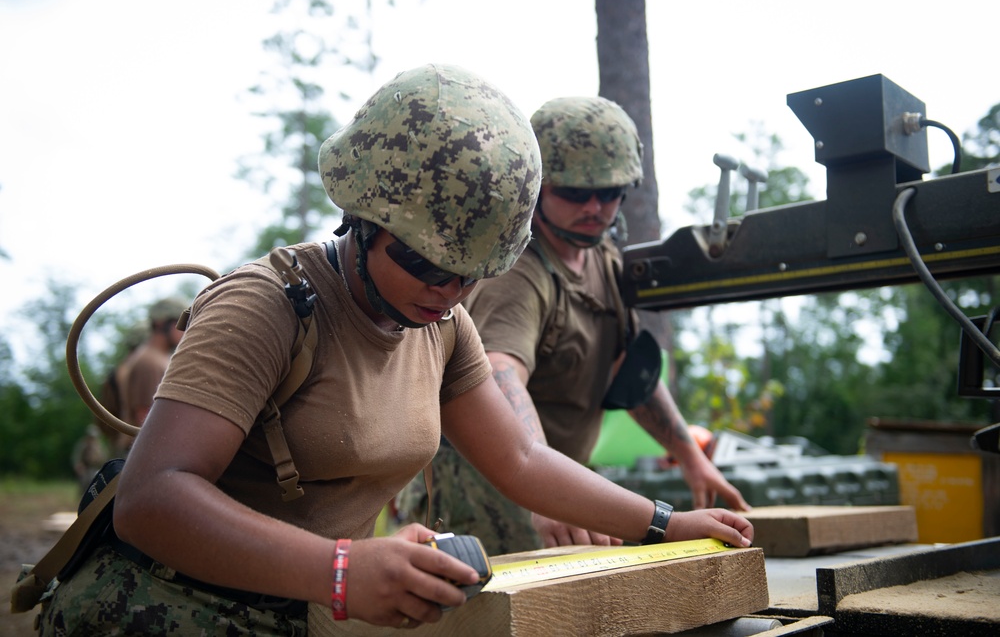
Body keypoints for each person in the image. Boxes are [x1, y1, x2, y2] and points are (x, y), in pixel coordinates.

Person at [37, 65, 753, 635]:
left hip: (308, 614)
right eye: (425, 263)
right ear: (362, 219)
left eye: (471, 272)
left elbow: (523, 461)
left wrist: (663, 522)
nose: (447, 290)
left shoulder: (443, 325)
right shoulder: (264, 306)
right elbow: (152, 498)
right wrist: (342, 570)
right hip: (162, 610)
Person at [398, 96, 751, 555]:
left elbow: (627, 373)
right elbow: (501, 375)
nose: (594, 207)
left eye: (608, 193)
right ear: (539, 188)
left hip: (549, 485)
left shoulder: (603, 259)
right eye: (574, 192)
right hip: (485, 492)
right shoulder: (518, 272)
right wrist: (545, 497)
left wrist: (690, 458)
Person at [106, 297, 186, 455]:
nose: (185, 329)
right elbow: (144, 416)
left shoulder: (159, 358)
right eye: (180, 322)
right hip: (147, 452)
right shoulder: (148, 362)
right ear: (160, 324)